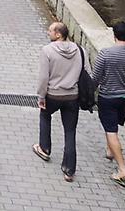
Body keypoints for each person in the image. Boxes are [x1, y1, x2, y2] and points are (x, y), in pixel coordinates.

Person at [92, 21, 125, 190]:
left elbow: (95, 78)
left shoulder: (105, 54)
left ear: (114, 35)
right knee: (113, 126)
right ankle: (109, 150)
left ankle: (122, 169)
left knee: (110, 130)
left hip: (108, 97)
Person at [33, 21, 82, 182]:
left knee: (45, 116)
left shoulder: (47, 51)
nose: (48, 33)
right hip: (72, 96)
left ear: (58, 34)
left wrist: (41, 96)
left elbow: (43, 77)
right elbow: (86, 72)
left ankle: (44, 148)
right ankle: (69, 170)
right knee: (70, 131)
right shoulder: (79, 50)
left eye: (50, 31)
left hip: (53, 95)